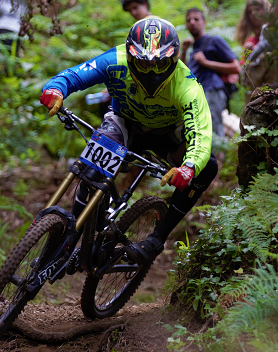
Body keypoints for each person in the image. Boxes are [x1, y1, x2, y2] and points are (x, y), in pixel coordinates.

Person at [39, 17, 218, 265]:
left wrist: (189, 167)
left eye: (160, 64)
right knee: (90, 171)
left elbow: (200, 133)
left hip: (167, 135)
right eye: (143, 64)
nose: (152, 72)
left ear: (174, 59)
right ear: (130, 55)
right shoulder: (115, 60)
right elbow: (76, 75)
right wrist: (55, 89)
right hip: (125, 123)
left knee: (207, 166)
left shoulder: (187, 86)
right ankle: (73, 234)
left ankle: (157, 238)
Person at [181, 8, 240, 138]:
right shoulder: (193, 47)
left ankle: (219, 158)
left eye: (196, 19)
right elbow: (183, 73)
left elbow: (236, 67)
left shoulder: (215, 41)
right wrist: (184, 51)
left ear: (204, 22)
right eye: (188, 20)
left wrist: (206, 62)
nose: (192, 22)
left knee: (214, 130)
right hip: (197, 95)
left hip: (212, 91)